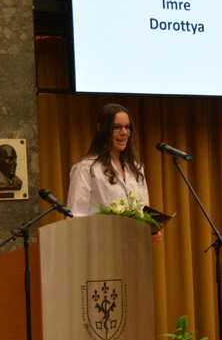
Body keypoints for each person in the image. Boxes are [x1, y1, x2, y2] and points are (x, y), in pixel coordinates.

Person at [66, 103, 162, 243]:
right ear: (101, 129)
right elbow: (76, 218)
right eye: (117, 127)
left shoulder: (136, 169)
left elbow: (143, 209)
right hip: (100, 246)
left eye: (127, 127)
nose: (124, 132)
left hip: (135, 246)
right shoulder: (85, 168)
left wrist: (152, 231)